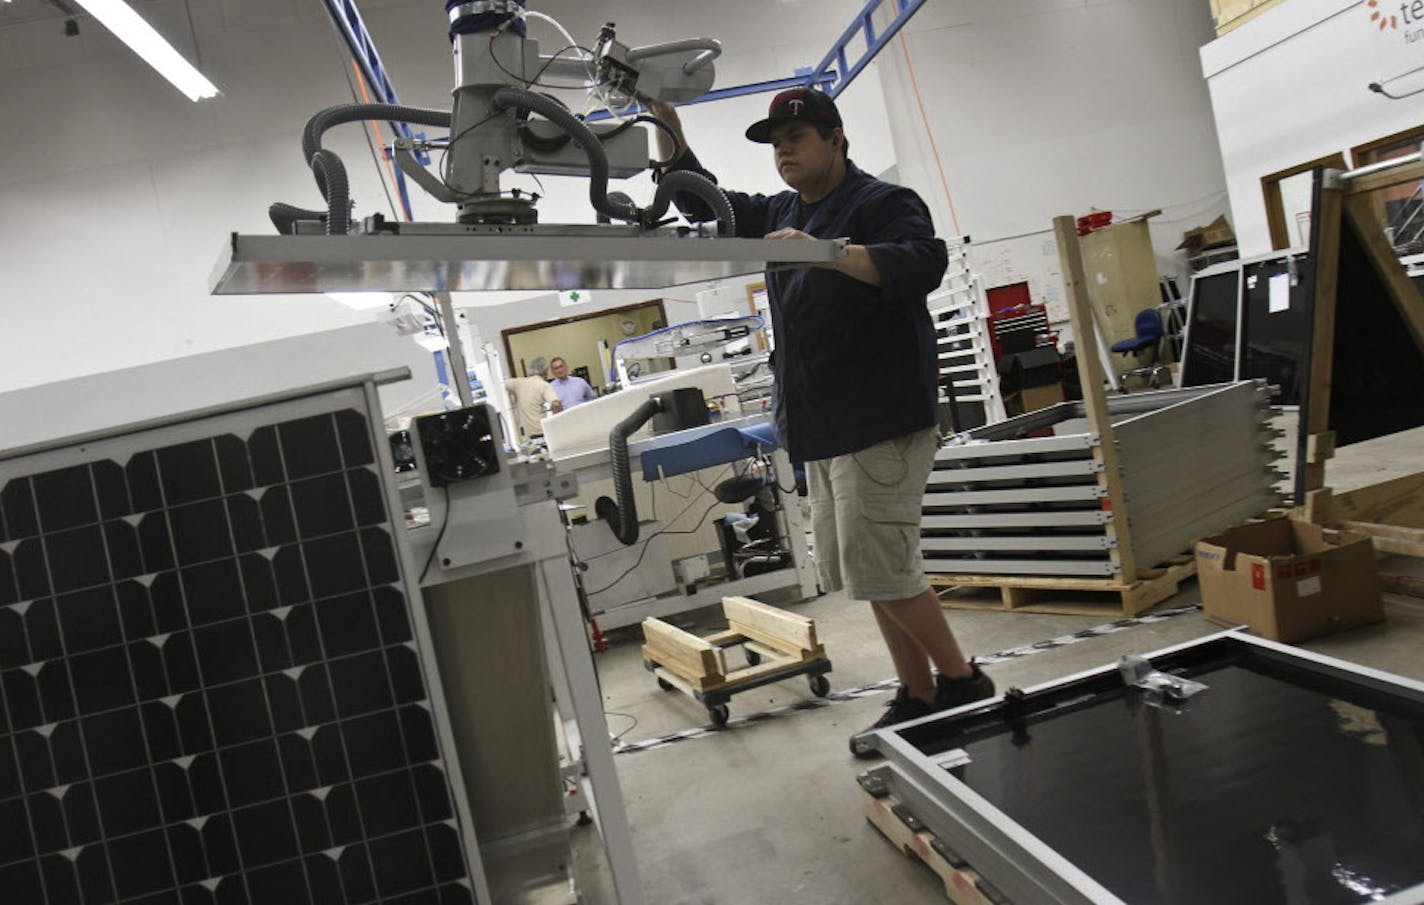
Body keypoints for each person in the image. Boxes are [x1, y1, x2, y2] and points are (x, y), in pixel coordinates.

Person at [650, 89, 994, 758]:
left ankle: (961, 681)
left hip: (881, 418)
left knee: (883, 565)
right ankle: (918, 693)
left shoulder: (882, 204)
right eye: (775, 140)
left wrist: (830, 252)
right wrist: (666, 123)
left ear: (836, 138)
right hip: (824, 426)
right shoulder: (781, 210)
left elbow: (923, 263)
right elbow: (702, 202)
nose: (783, 149)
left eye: (797, 135)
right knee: (859, 568)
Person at [505, 356, 562, 441]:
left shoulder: (519, 383)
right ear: (545, 371)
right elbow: (556, 404)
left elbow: (503, 384)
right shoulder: (544, 385)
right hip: (544, 434)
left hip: (527, 437)